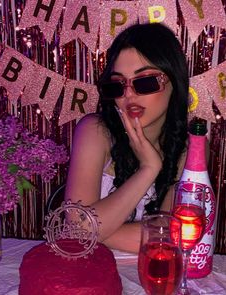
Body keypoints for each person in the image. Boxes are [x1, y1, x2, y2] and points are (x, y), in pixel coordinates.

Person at [65, 22, 189, 253]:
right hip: (88, 270)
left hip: (151, 273)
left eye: (145, 82)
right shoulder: (95, 131)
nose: (129, 95)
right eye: (117, 85)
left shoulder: (189, 148)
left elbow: (172, 237)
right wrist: (148, 169)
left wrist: (96, 231)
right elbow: (77, 232)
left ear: (174, 83)